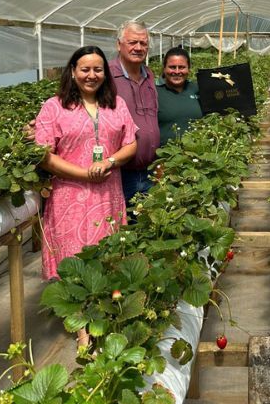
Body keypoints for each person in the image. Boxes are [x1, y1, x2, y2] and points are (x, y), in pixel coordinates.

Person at [35, 46, 137, 282]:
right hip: (69, 200)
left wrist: (110, 161)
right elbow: (44, 155)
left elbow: (130, 144)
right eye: (85, 69)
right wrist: (84, 174)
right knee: (73, 267)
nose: (92, 75)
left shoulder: (117, 104)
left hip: (108, 196)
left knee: (108, 261)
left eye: (98, 69)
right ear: (72, 71)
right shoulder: (54, 106)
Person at [109, 20, 160, 203]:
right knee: (124, 226)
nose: (138, 48)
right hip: (121, 173)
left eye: (143, 43)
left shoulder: (149, 75)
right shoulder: (106, 76)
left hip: (151, 171)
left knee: (150, 225)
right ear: (119, 44)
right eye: (132, 42)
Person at [156, 46, 203, 146]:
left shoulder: (197, 89)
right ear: (164, 69)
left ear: (189, 69)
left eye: (182, 67)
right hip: (166, 157)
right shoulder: (154, 92)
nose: (177, 72)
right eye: (172, 67)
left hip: (197, 155)